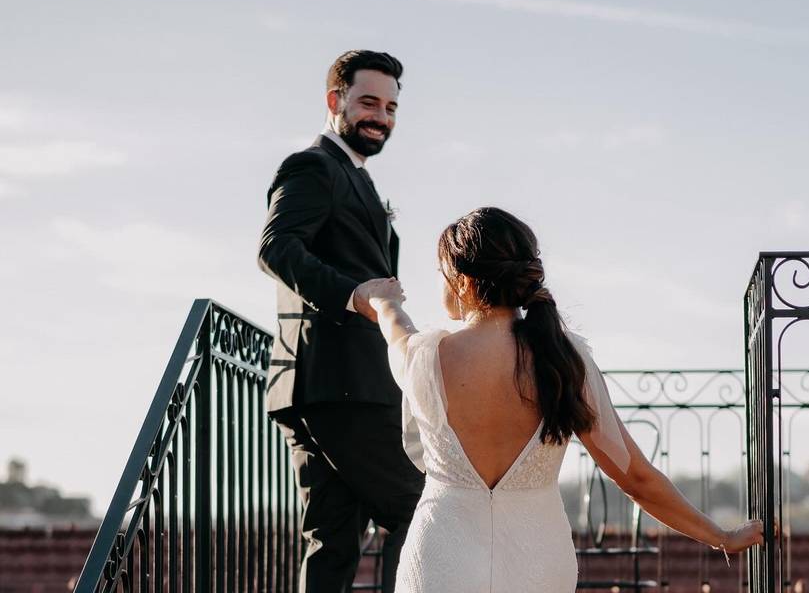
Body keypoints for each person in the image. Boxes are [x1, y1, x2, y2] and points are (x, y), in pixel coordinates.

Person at [364, 207, 764, 592]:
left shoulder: (425, 356)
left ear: (464, 282)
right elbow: (636, 478)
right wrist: (722, 537)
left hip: (440, 559)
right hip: (539, 562)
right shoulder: (562, 357)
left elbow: (395, 328)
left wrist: (384, 301)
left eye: (441, 271)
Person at [258, 50, 424, 593]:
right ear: (336, 101)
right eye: (368, 102)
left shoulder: (357, 178)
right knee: (421, 510)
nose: (381, 117)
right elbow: (277, 248)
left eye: (392, 107)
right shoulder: (313, 166)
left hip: (321, 387)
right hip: (340, 383)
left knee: (331, 542)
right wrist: (355, 296)